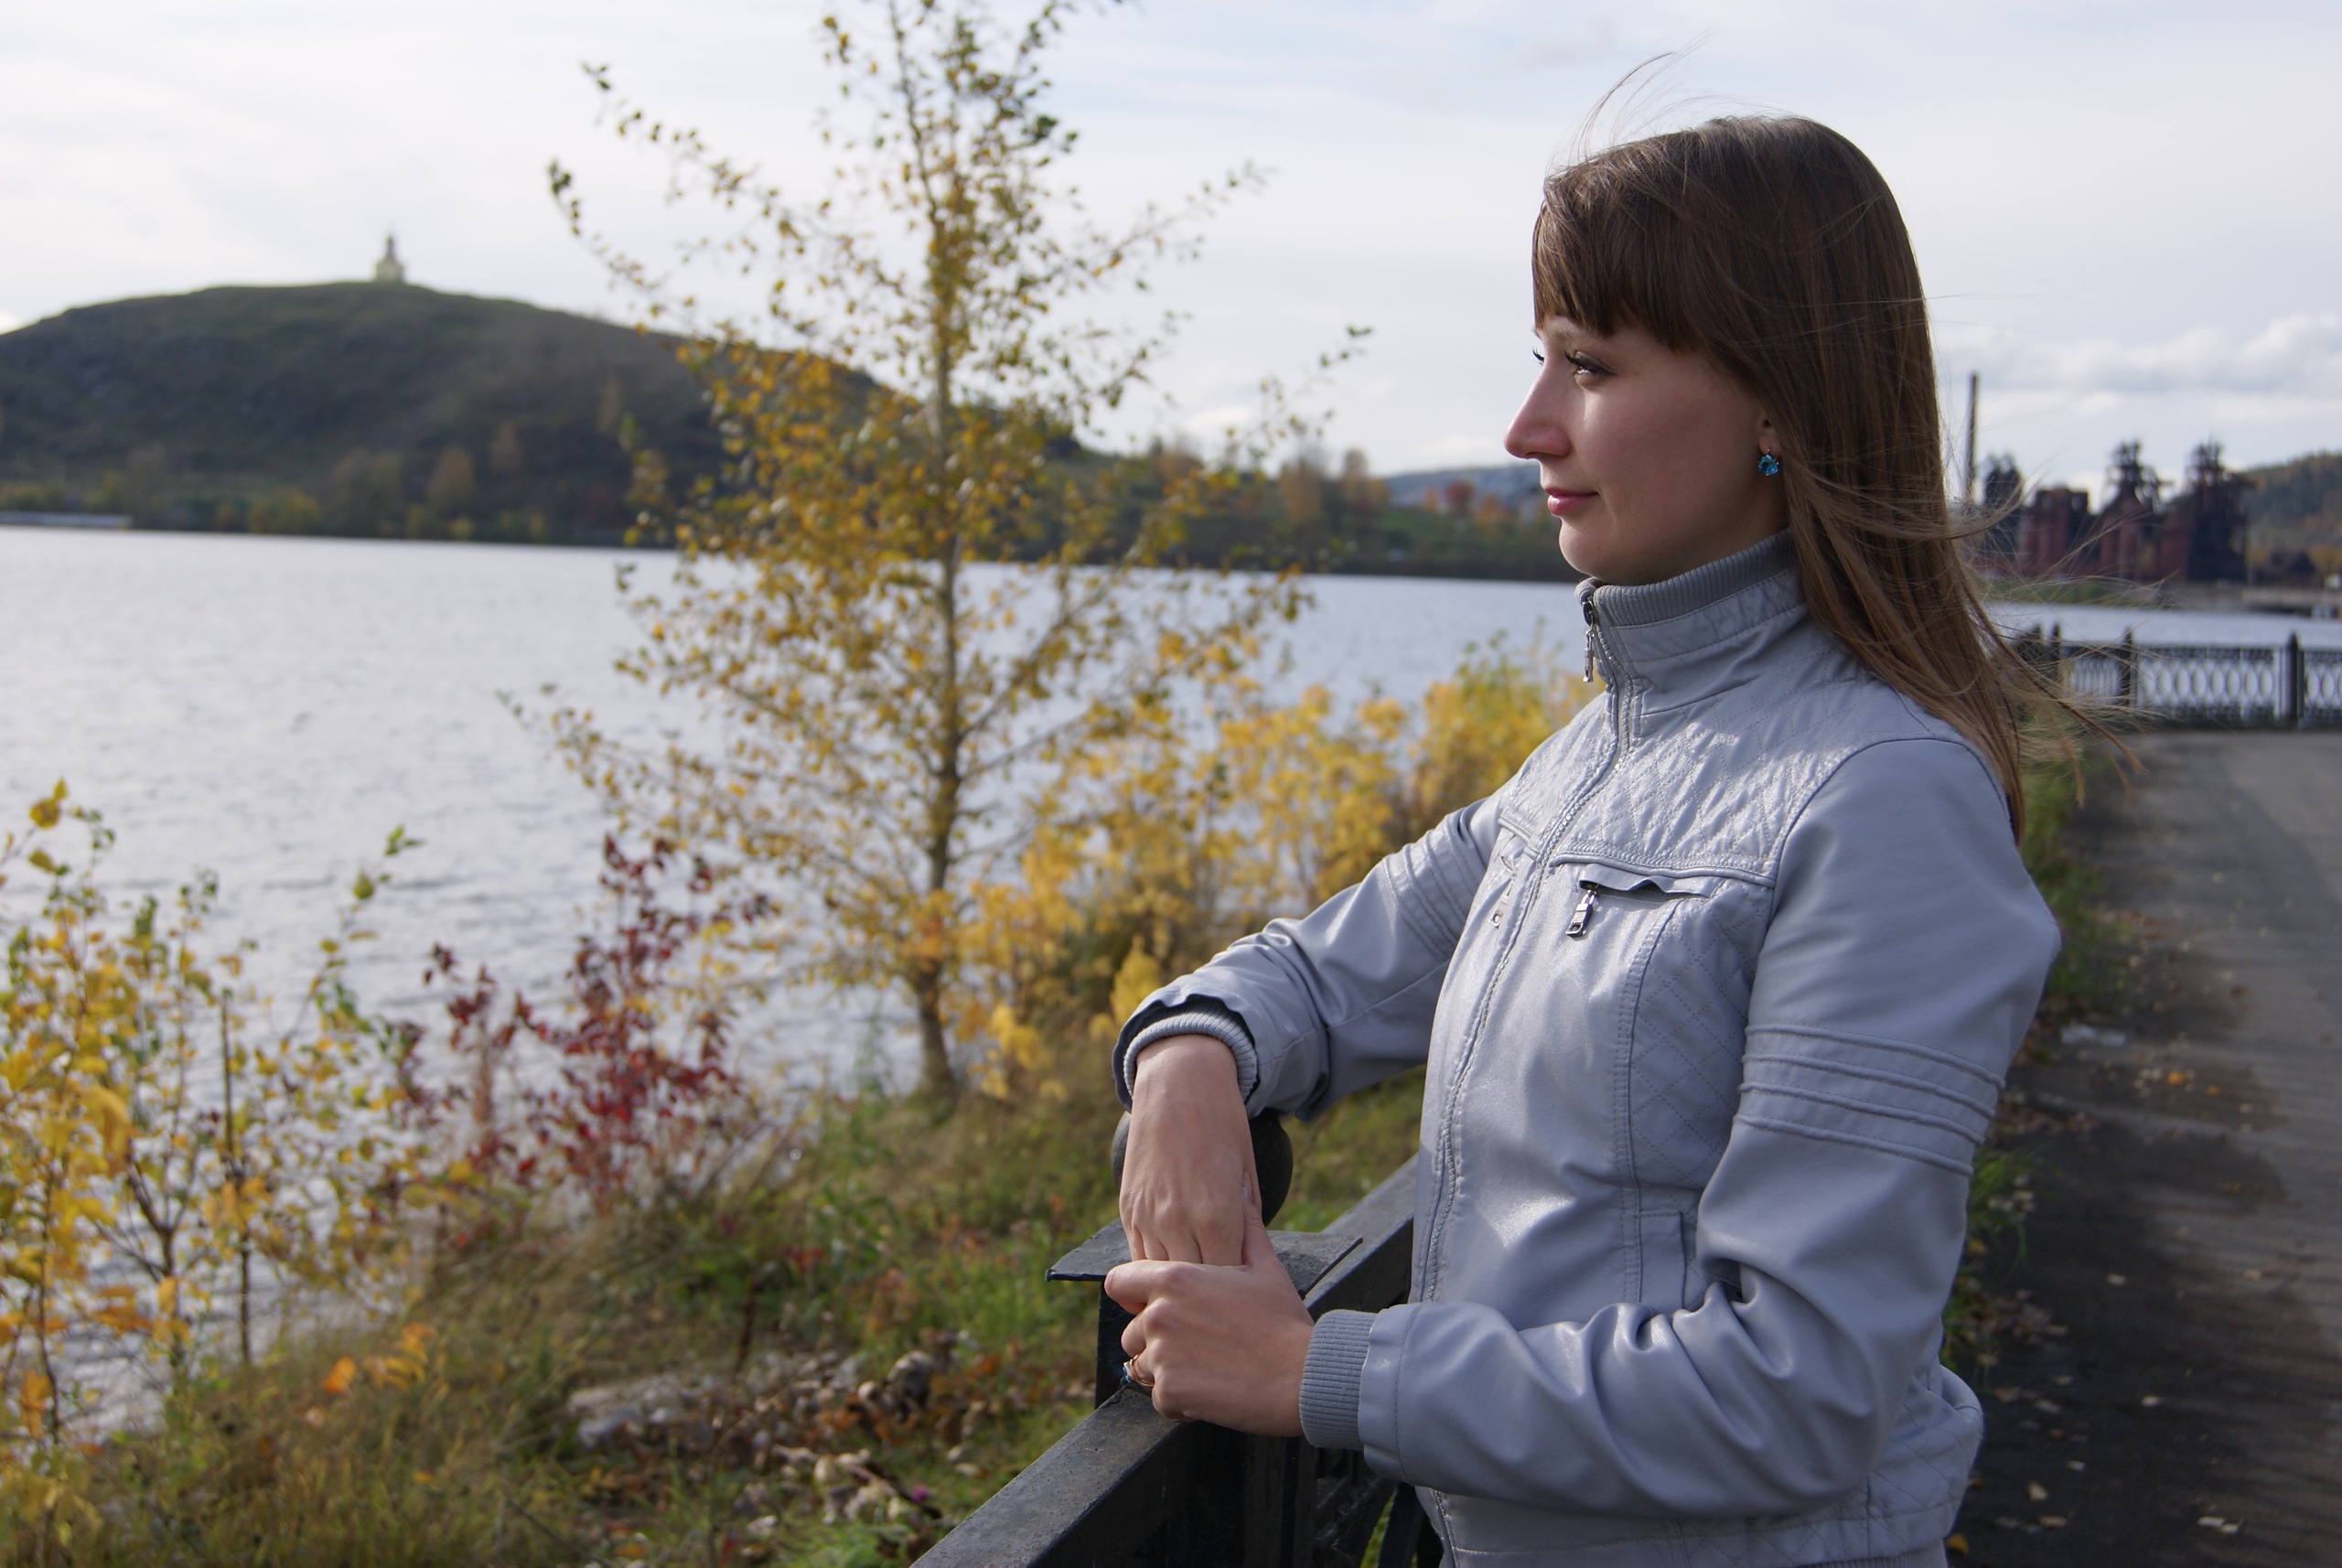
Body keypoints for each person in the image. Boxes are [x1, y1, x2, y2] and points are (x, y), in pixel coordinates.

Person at [1101, 114, 2067, 1568]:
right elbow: (1325, 969)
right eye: (1542, 358)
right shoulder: (1591, 764)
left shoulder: (1884, 797)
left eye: (1592, 366)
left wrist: (1324, 1373)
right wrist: (1188, 1053)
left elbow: (1802, 1390)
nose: (1528, 426)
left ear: (1779, 404)